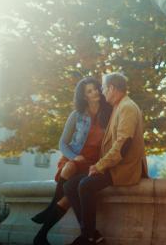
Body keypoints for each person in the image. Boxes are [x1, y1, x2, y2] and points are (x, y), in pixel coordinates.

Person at [64, 72, 148, 245]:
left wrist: (100, 166)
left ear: (111, 88)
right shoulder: (119, 106)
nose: (101, 92)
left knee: (86, 185)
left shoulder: (127, 108)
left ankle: (87, 237)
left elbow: (122, 145)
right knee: (70, 185)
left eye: (102, 88)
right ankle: (92, 234)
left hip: (124, 169)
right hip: (114, 166)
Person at [33, 77, 112, 245]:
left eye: (96, 88)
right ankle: (52, 213)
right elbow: (63, 143)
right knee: (68, 167)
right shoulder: (77, 115)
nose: (95, 92)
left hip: (91, 163)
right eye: (89, 91)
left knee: (67, 199)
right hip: (74, 157)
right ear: (84, 97)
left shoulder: (108, 114)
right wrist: (74, 156)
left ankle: (41, 235)